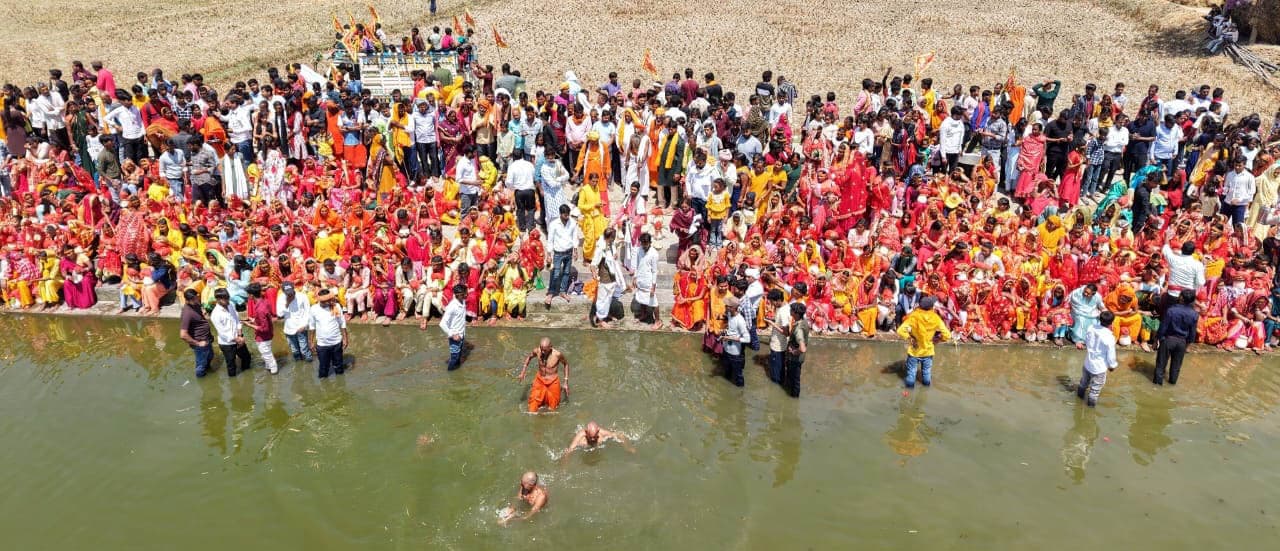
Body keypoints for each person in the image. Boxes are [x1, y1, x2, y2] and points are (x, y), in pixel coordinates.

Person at [895, 295, 951, 389]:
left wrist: (910, 339)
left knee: (911, 372)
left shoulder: (914, 316)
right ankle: (926, 389)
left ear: (919, 306)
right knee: (926, 372)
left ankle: (909, 390)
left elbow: (900, 331)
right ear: (932, 307)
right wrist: (939, 339)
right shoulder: (936, 318)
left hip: (914, 351)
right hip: (928, 351)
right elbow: (947, 335)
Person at [1154, 289, 1198, 386]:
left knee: (1161, 365)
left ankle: (1157, 386)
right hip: (1182, 342)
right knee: (1176, 367)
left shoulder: (1171, 310)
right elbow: (1192, 333)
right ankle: (1172, 383)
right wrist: (1187, 345)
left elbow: (1163, 327)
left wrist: (1157, 339)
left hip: (1168, 340)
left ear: (1181, 298)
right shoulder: (1194, 314)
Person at [517, 337, 570, 413]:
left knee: (553, 408)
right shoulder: (537, 351)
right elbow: (529, 357)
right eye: (541, 349)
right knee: (532, 405)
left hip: (553, 381)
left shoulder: (557, 354)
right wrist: (523, 371)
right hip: (540, 380)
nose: (542, 352)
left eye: (545, 350)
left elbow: (566, 364)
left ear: (550, 347)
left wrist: (565, 382)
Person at [1077, 311, 1118, 407]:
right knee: (1094, 391)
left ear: (1100, 319)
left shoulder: (1091, 328)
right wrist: (1112, 366)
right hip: (1099, 368)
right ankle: (1090, 410)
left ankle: (1078, 400)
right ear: (1111, 322)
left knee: (1083, 383)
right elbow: (1111, 354)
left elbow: (1086, 341)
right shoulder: (1109, 337)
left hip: (1088, 363)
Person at [210, 288, 252, 377]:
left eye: (228, 298)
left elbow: (237, 320)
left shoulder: (230, 306)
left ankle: (247, 376)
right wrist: (237, 339)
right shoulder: (216, 314)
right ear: (218, 299)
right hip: (227, 343)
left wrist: (240, 334)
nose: (227, 300)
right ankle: (233, 382)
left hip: (238, 337)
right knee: (231, 364)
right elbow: (222, 332)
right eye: (224, 299)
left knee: (247, 357)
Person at [309, 288, 348, 378]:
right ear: (319, 300)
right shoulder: (314, 309)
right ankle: (323, 387)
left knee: (339, 367)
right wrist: (310, 342)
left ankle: (340, 386)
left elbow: (342, 323)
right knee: (323, 368)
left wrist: (345, 339)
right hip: (322, 345)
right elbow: (312, 326)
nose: (327, 303)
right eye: (324, 301)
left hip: (337, 343)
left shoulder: (336, 306)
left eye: (328, 300)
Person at [243, 283, 279, 374]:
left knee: (266, 354)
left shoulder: (260, 309)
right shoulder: (264, 301)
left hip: (263, 336)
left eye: (248, 294)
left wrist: (249, 324)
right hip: (269, 334)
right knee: (267, 352)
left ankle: (273, 370)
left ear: (251, 295)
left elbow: (264, 328)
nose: (248, 296)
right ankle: (269, 366)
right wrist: (254, 320)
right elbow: (266, 318)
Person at [178, 288, 213, 378]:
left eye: (196, 298)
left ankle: (207, 369)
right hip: (200, 342)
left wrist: (202, 311)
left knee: (210, 356)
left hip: (207, 338)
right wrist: (198, 343)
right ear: (187, 300)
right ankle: (202, 380)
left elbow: (199, 306)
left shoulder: (195, 304)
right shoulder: (187, 313)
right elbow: (183, 335)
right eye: (193, 299)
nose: (196, 300)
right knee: (201, 365)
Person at [276, 282, 313, 362]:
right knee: (295, 351)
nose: (290, 295)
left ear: (294, 289)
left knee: (304, 350)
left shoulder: (302, 296)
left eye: (291, 292)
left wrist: (305, 325)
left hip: (301, 327)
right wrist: (287, 303)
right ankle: (299, 366)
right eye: (287, 293)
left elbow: (308, 311)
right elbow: (279, 314)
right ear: (283, 291)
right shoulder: (281, 298)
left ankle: (309, 365)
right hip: (289, 328)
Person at [721, 295, 749, 387]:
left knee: (738, 376)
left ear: (733, 308)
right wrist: (725, 331)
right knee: (727, 372)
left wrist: (729, 338)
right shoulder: (729, 314)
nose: (725, 307)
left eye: (727, 306)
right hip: (726, 350)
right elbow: (731, 329)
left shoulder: (740, 321)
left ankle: (740, 394)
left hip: (735, 354)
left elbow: (747, 339)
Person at [783, 302, 809, 398]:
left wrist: (793, 352)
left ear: (796, 313)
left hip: (795, 358)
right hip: (799, 358)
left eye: (791, 310)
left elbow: (802, 348)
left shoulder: (798, 329)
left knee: (794, 380)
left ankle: (793, 398)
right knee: (794, 378)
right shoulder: (804, 321)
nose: (790, 311)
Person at [440, 283, 468, 370]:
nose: (466, 295)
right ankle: (450, 374)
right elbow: (442, 324)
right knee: (454, 357)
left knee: (459, 355)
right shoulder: (453, 306)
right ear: (458, 295)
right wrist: (452, 335)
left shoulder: (462, 301)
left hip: (461, 334)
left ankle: (457, 371)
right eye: (464, 294)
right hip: (454, 336)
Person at [564, 421, 633, 456]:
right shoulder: (580, 436)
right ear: (586, 433)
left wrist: (627, 447)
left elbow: (620, 435)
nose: (593, 439)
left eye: (594, 437)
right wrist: (564, 465)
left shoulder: (602, 433)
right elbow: (569, 450)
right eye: (591, 437)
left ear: (598, 431)